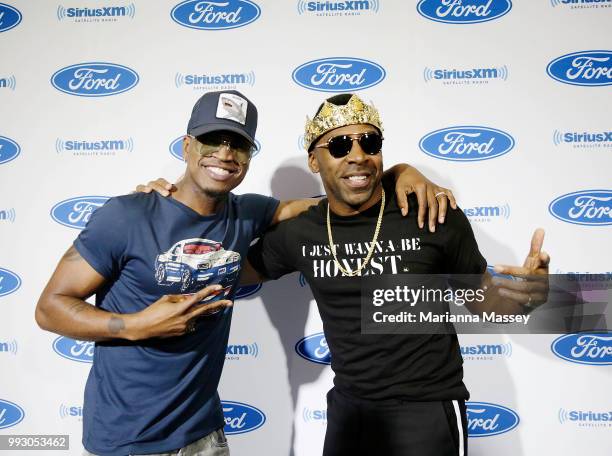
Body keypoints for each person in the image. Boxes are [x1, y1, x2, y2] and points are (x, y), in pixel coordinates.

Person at [36, 89, 456, 456]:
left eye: (237, 144)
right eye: (210, 140)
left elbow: (340, 197)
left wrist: (401, 171)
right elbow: (49, 308)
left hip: (206, 436)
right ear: (186, 146)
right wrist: (135, 325)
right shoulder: (125, 215)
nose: (224, 154)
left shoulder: (247, 214)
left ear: (248, 156)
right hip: (127, 442)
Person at [243, 93, 550, 456]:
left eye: (369, 142)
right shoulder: (300, 232)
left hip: (426, 409)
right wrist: (181, 208)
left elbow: (486, 304)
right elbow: (232, 274)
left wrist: (530, 298)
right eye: (340, 145)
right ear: (314, 159)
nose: (357, 155)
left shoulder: (431, 214)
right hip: (349, 411)